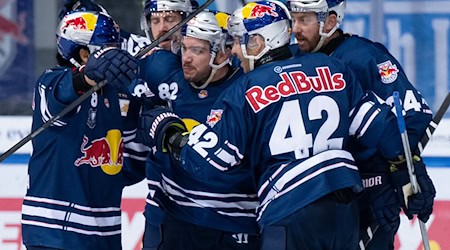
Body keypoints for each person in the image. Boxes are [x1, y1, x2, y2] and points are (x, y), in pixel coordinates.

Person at [135, 1, 411, 249]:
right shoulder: (332, 68)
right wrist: (407, 174)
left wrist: (167, 131)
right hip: (344, 210)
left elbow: (204, 161)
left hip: (288, 209)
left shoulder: (246, 89)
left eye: (239, 41)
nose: (234, 51)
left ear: (258, 42)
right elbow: (385, 130)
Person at [286, 0, 436, 248]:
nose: (295, 29)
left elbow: (410, 116)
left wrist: (406, 177)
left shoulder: (364, 56)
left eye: (304, 20)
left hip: (366, 194)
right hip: (309, 197)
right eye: (294, 19)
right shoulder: (290, 62)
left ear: (331, 21)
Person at [131, 9, 261, 250]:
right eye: (184, 48)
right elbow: (125, 72)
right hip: (176, 220)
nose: (186, 58)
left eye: (197, 50)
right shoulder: (165, 75)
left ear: (222, 54)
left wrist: (171, 136)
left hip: (234, 225)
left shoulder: (248, 92)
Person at [21, 10, 146, 250]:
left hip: (104, 235)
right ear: (83, 53)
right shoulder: (50, 82)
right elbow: (63, 94)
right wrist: (88, 75)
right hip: (55, 234)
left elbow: (124, 169)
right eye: (107, 49)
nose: (117, 55)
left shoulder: (117, 96)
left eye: (116, 47)